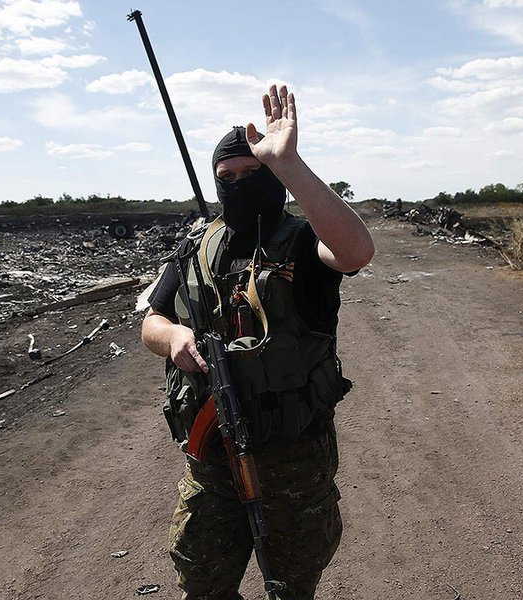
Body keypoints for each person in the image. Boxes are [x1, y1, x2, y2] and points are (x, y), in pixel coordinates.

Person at [141, 84, 374, 600]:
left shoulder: (303, 241)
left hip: (292, 451)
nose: (240, 184)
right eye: (228, 178)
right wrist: (174, 337)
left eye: (254, 173)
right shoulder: (196, 246)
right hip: (212, 447)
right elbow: (150, 320)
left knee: (291, 581)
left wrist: (288, 163)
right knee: (200, 575)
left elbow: (356, 252)